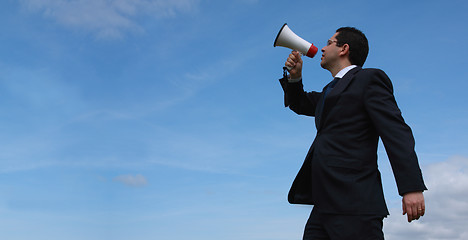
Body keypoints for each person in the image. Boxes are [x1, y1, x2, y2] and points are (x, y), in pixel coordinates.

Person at [279, 27, 427, 239]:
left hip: (355, 202)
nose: (322, 47)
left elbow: (396, 132)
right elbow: (299, 103)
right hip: (323, 204)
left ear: (344, 49)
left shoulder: (369, 79)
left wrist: (411, 187)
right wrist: (295, 78)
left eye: (329, 42)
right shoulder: (330, 91)